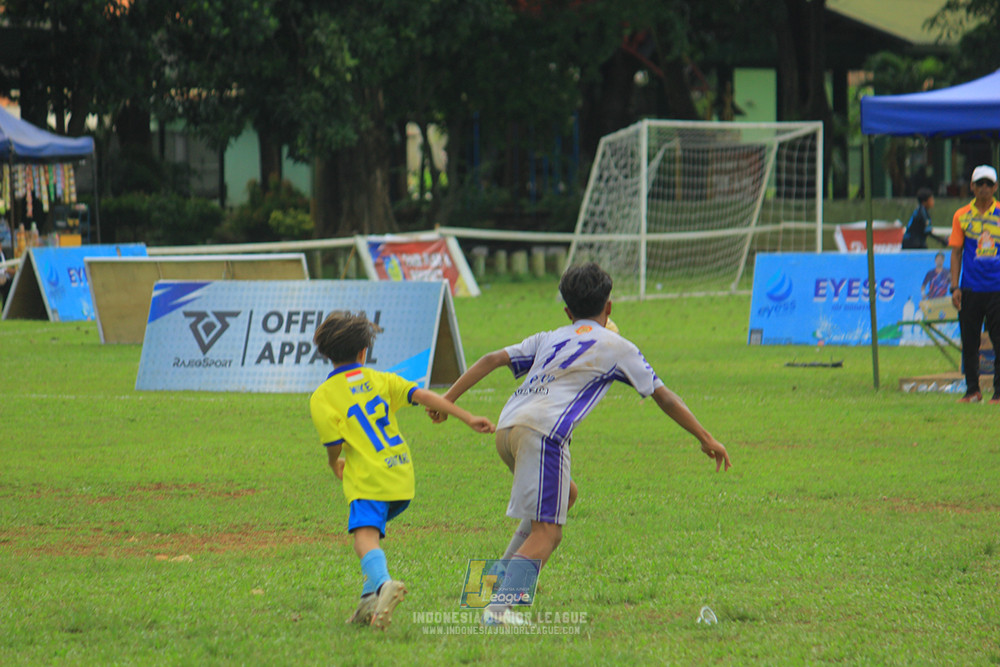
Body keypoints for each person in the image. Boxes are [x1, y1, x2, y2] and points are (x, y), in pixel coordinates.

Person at [428, 262, 731, 625]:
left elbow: (493, 359)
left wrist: (448, 401)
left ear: (568, 311)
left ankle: (492, 594)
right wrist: (706, 437)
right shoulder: (619, 346)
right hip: (544, 435)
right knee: (548, 533)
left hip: (507, 429)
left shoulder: (549, 336)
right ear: (610, 306)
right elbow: (664, 397)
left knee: (565, 495)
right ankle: (497, 612)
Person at [309, 311, 496, 630]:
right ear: (363, 353)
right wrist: (466, 416)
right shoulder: (381, 380)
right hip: (401, 476)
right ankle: (368, 602)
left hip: (369, 480)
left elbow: (333, 445)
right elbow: (423, 395)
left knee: (363, 539)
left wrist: (333, 464)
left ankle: (384, 586)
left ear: (325, 353)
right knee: (372, 535)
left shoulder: (322, 397)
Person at [949, 165, 1000, 404]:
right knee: (970, 342)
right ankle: (972, 391)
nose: (984, 189)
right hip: (970, 288)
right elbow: (956, 252)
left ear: (996, 187)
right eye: (979, 184)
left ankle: (998, 393)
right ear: (972, 187)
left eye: (989, 184)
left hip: (997, 288)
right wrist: (954, 286)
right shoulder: (961, 215)